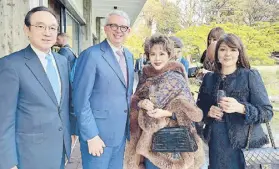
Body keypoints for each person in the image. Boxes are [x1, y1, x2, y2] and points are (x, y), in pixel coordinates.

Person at [0, 6, 72, 169]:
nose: (47, 32)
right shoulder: (11, 65)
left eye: (52, 28)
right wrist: (8, 163)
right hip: (29, 155)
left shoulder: (62, 62)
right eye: (40, 26)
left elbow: (62, 105)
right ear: (27, 30)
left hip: (59, 151)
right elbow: (4, 120)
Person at [124, 33, 204, 169]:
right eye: (153, 54)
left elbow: (192, 114)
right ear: (148, 55)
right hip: (148, 144)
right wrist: (141, 103)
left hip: (173, 145)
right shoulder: (145, 76)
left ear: (169, 55)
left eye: (161, 54)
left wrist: (166, 113)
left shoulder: (177, 78)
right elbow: (136, 100)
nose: (157, 58)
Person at [197, 34, 273, 169]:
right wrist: (208, 112)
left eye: (233, 50)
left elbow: (267, 112)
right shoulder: (209, 78)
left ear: (239, 53)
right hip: (217, 147)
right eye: (222, 49)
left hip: (246, 148)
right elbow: (197, 112)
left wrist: (241, 108)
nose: (227, 54)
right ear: (217, 53)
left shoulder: (249, 75)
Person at [73, 10, 134, 169]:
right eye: (114, 26)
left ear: (129, 31)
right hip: (98, 136)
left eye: (123, 27)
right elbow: (80, 99)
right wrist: (91, 135)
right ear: (106, 28)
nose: (119, 30)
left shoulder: (128, 56)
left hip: (120, 134)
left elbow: (126, 94)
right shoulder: (91, 55)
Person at [57, 32, 78, 146]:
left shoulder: (63, 52)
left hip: (65, 86)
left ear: (62, 38)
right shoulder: (71, 51)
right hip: (72, 87)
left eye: (57, 38)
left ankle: (68, 146)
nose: (56, 40)